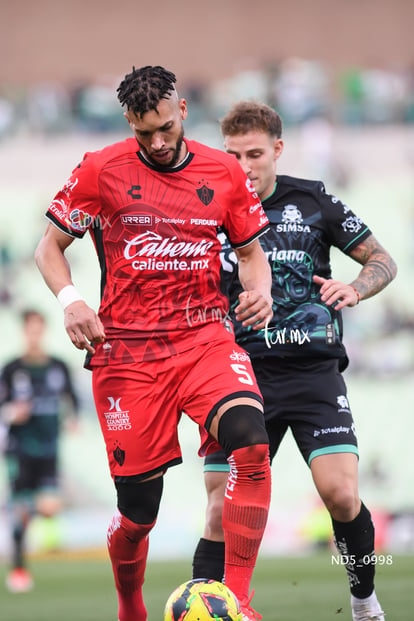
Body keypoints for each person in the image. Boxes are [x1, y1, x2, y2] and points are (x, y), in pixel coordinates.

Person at [34, 66, 274, 621]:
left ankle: (236, 599)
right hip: (128, 357)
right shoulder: (100, 170)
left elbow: (250, 254)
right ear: (129, 124)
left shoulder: (224, 172)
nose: (159, 142)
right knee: (139, 511)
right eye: (146, 133)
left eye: (166, 127)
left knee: (251, 441)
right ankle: (129, 605)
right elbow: (50, 247)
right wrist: (72, 299)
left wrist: (259, 292)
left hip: (204, 339)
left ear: (183, 110)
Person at [191, 101, 397, 621]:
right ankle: (211, 609)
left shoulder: (311, 200)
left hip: (312, 374)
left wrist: (355, 288)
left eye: (255, 154)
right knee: (219, 509)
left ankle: (364, 600)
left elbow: (383, 259)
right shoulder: (206, 209)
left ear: (277, 150)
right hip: (237, 373)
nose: (243, 166)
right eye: (233, 154)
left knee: (342, 496)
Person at [0, 309, 79, 592]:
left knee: (47, 507)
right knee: (20, 511)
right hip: (19, 449)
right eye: (30, 329)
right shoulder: (11, 369)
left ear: (43, 330)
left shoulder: (58, 367)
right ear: (25, 331)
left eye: (38, 329)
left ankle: (21, 508)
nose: (35, 334)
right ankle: (19, 568)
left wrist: (72, 420)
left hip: (49, 448)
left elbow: (72, 399)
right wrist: (11, 413)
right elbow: (2, 408)